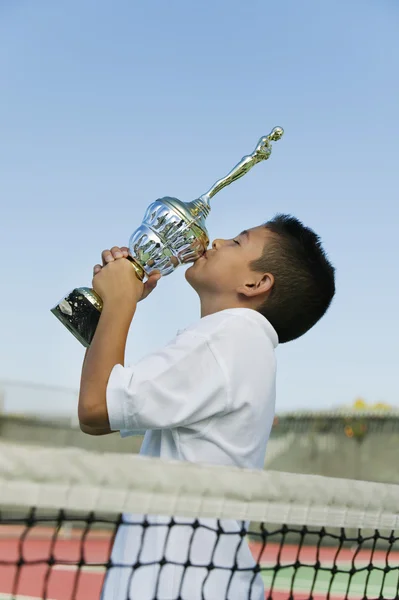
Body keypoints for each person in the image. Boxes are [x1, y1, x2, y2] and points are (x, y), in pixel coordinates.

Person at [78, 214, 335, 599]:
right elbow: (107, 397)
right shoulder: (239, 344)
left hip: (181, 585)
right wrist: (112, 304)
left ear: (256, 283)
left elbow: (96, 409)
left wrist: (120, 302)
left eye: (236, 241)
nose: (214, 241)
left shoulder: (231, 336)